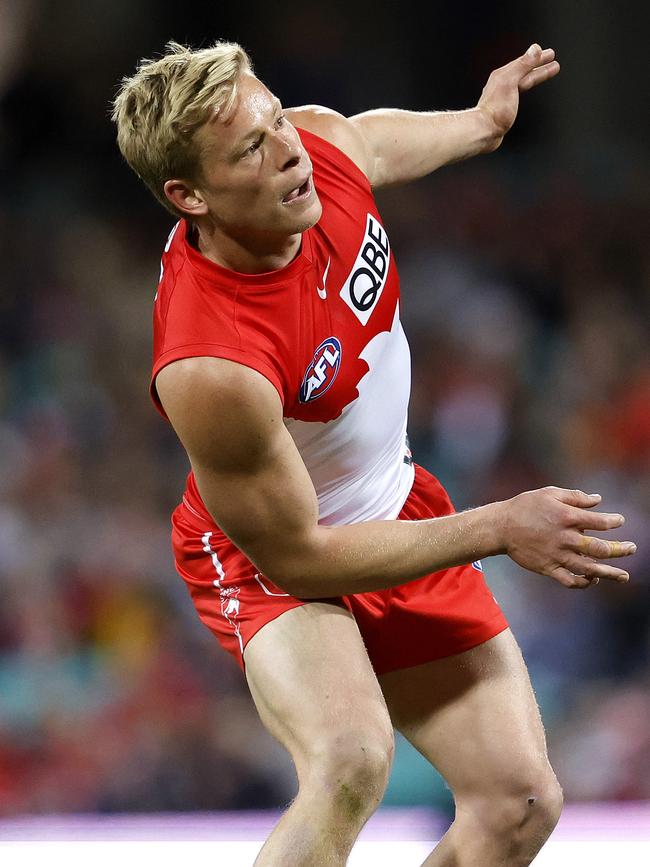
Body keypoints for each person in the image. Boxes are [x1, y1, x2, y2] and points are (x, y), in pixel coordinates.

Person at [112, 40, 636, 866]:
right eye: (251, 148)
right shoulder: (211, 363)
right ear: (190, 195)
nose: (289, 150)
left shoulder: (313, 152)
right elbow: (306, 557)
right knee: (351, 759)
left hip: (393, 507)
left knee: (519, 802)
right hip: (273, 560)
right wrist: (498, 525)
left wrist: (482, 122)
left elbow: (370, 140)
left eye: (275, 117)